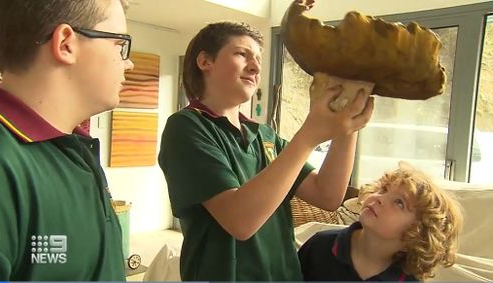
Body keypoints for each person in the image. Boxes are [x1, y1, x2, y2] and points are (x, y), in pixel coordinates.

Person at [158, 21, 374, 281]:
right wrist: (309, 135)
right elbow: (240, 221)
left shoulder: (265, 136)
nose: (256, 67)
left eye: (259, 59)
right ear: (205, 61)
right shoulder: (186, 127)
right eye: (242, 54)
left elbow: (327, 194)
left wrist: (349, 121)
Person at [0, 0, 134, 280]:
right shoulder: (0, 163)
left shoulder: (75, 147)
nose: (128, 63)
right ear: (66, 43)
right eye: (120, 45)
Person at [298, 163, 463, 281]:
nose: (379, 198)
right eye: (383, 189)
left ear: (417, 233)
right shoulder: (320, 246)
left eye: (399, 202)